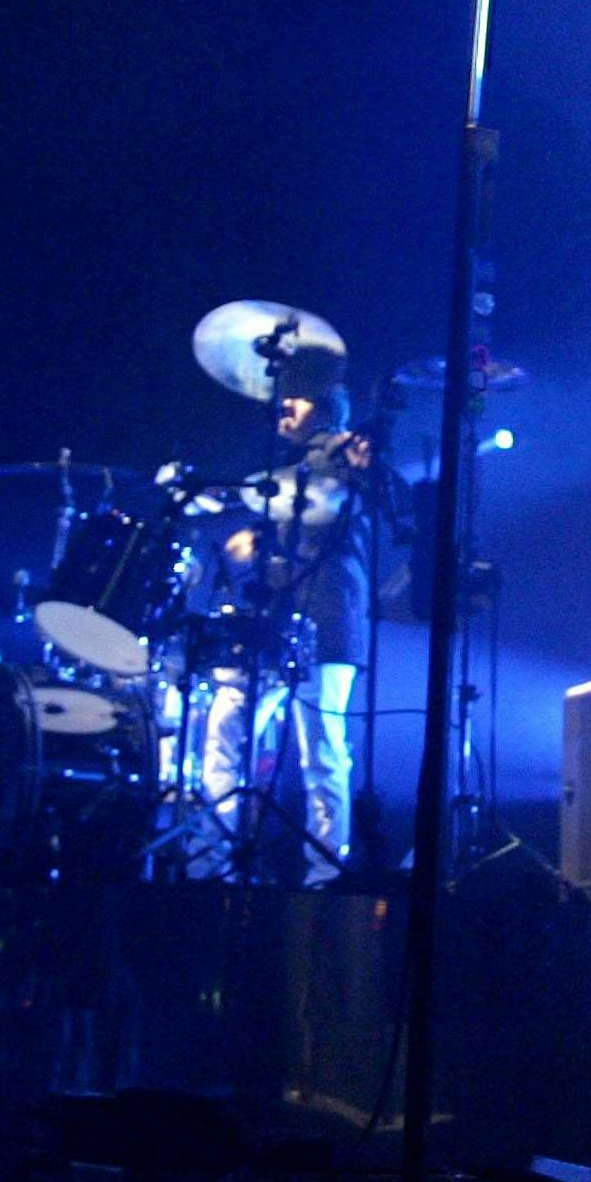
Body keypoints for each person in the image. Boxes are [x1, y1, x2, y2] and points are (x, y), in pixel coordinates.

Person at [186, 347, 373, 887]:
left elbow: (317, 502)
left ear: (324, 406)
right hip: (272, 624)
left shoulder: (346, 457)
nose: (283, 408)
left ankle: (324, 872)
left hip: (330, 623)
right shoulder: (281, 471)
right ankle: (212, 860)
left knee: (322, 747)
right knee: (226, 727)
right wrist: (198, 494)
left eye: (296, 397)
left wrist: (226, 497)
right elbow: (267, 496)